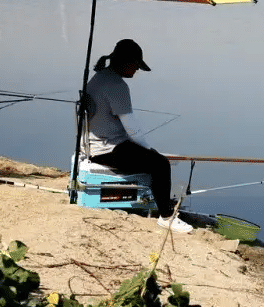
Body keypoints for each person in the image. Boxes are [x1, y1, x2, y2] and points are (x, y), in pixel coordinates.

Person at [82, 39, 193, 233]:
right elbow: (132, 128)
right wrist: (150, 151)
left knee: (151, 158)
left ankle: (156, 199)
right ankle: (166, 216)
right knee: (160, 164)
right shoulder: (117, 86)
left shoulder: (99, 78)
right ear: (126, 62)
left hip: (91, 146)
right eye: (135, 66)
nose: (136, 71)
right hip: (107, 150)